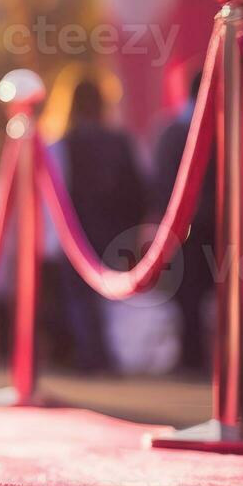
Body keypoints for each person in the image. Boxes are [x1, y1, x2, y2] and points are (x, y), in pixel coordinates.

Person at [51, 72, 145, 373]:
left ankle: (93, 356)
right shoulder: (120, 141)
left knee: (81, 297)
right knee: (115, 296)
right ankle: (115, 354)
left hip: (76, 231)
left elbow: (57, 192)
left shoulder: (64, 143)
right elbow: (138, 187)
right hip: (116, 231)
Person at [150, 71, 215, 373]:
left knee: (188, 291)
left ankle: (193, 356)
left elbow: (160, 181)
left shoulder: (171, 131)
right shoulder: (220, 129)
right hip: (209, 223)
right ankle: (200, 354)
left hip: (183, 225)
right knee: (201, 290)